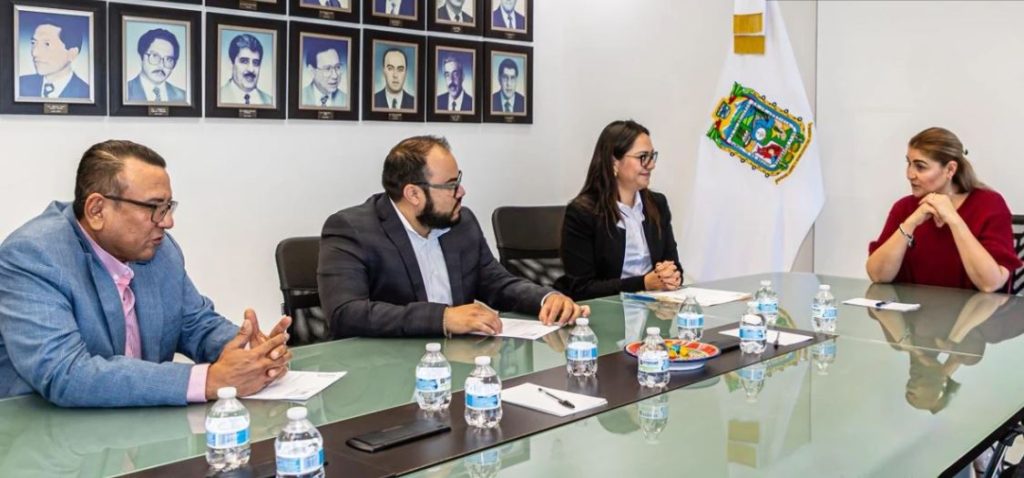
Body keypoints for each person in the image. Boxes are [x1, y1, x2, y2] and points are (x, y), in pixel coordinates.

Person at [0, 140, 292, 407]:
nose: (167, 222)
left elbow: (195, 324)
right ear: (97, 210)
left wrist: (251, 353)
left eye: (168, 207)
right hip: (46, 433)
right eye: (154, 207)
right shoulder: (34, 255)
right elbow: (65, 373)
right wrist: (208, 381)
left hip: (139, 427)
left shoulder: (158, 249)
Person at [318, 135, 588, 338]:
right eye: (451, 185)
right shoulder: (351, 230)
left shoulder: (461, 222)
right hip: (382, 371)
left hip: (457, 361)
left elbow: (497, 283)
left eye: (458, 180)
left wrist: (547, 299)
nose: (461, 192)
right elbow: (346, 313)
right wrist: (443, 318)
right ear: (413, 194)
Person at [866, 127, 1021, 292]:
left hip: (972, 309)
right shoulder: (904, 207)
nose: (910, 174)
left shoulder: (989, 204)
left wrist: (954, 220)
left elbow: (990, 283)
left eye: (920, 167)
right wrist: (910, 223)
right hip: (915, 308)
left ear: (950, 169)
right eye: (909, 163)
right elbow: (878, 275)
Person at [555, 120, 683, 301]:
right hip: (604, 310)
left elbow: (674, 265)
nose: (651, 165)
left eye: (652, 156)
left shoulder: (657, 204)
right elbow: (582, 288)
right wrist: (644, 283)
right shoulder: (582, 213)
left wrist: (671, 275)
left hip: (654, 308)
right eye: (642, 157)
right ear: (614, 162)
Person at [18, 14, 90, 100]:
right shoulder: (19, 84)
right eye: (33, 43)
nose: (34, 52)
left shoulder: (86, 93)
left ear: (72, 53)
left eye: (47, 44)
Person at [126, 28, 187, 103]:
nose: (161, 65)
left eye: (168, 59)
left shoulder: (184, 97)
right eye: (155, 56)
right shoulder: (125, 92)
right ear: (140, 58)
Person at [219, 33, 273, 106]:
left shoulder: (270, 101)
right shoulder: (218, 97)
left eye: (255, 63)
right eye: (244, 61)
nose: (251, 69)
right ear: (231, 63)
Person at [300, 38, 347, 109]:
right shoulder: (300, 97)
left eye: (337, 67)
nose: (335, 76)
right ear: (312, 70)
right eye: (327, 69)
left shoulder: (346, 100)